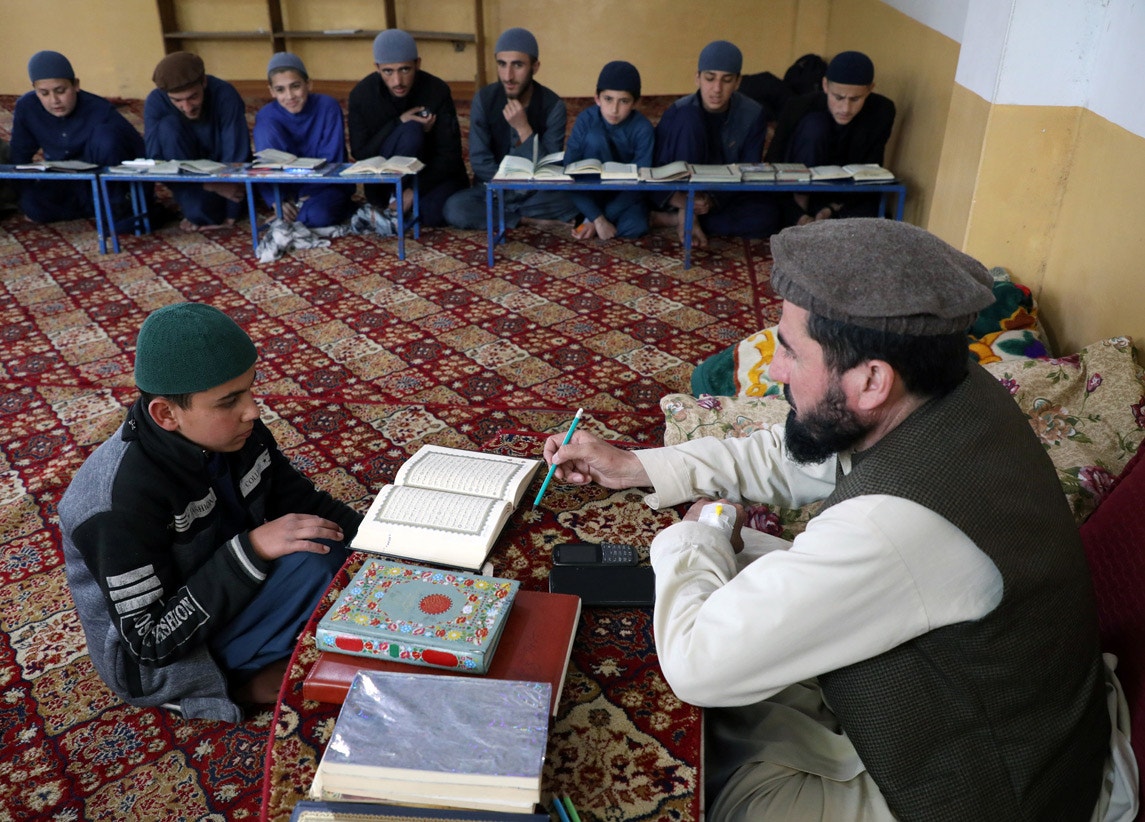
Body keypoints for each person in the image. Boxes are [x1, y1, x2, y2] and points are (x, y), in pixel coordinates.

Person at [541, 219, 1137, 821]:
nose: (774, 370)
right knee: (740, 568)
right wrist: (634, 466)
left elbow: (698, 668)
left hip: (982, 792)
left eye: (792, 351)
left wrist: (690, 535)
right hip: (974, 701)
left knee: (728, 777)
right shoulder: (953, 387)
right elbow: (793, 451)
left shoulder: (896, 523)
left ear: (872, 379)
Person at [59, 303, 362, 723]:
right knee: (315, 564)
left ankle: (264, 643)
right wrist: (252, 550)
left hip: (221, 587)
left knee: (333, 548)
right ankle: (225, 683)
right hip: (160, 660)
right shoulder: (115, 504)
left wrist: (386, 547)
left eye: (251, 389)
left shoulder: (237, 436)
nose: (253, 410)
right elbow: (149, 642)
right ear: (166, 414)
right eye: (229, 401)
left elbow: (306, 506)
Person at [442, 27, 577, 231]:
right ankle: (525, 220)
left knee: (576, 197)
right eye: (502, 64)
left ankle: (503, 218)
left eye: (518, 65)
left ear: (535, 66)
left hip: (535, 192)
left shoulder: (552, 105)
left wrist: (524, 128)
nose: (508, 76)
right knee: (455, 207)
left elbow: (549, 169)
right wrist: (507, 190)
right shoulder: (485, 100)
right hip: (493, 191)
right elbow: (479, 161)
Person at [651, 40, 779, 248]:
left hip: (719, 194)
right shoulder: (678, 112)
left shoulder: (752, 114)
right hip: (679, 192)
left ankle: (679, 218)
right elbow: (656, 168)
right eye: (710, 79)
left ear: (737, 82)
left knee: (769, 215)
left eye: (726, 80)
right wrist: (682, 199)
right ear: (697, 78)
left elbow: (747, 170)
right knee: (689, 120)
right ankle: (686, 212)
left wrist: (711, 199)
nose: (717, 89)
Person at [348, 29, 468, 231]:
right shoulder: (362, 95)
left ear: (417, 64)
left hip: (432, 174)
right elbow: (361, 153)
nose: (398, 81)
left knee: (432, 214)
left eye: (405, 70)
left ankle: (404, 203)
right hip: (385, 181)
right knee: (411, 130)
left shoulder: (436, 90)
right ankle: (394, 200)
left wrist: (413, 192)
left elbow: (450, 155)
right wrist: (398, 123)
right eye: (388, 71)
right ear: (377, 68)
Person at [9, 50, 144, 223]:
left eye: (60, 90)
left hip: (102, 179)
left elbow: (137, 151)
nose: (54, 100)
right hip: (64, 181)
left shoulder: (100, 110)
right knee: (33, 206)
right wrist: (24, 196)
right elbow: (19, 153)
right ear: (35, 90)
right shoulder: (27, 107)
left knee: (106, 137)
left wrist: (140, 197)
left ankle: (113, 206)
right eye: (44, 93)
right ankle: (96, 208)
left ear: (76, 85)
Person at [765, 51, 896, 225]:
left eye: (856, 99)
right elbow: (773, 161)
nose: (845, 108)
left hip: (844, 197)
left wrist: (832, 208)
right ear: (825, 85)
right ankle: (799, 215)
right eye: (838, 97)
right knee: (815, 125)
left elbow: (871, 170)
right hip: (796, 192)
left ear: (870, 89)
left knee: (872, 216)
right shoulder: (799, 107)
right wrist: (797, 212)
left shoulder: (882, 110)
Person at [144, 52, 252, 231]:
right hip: (191, 183)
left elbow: (237, 154)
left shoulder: (225, 95)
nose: (186, 107)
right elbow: (156, 163)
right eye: (177, 100)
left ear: (204, 82)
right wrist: (209, 185)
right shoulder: (156, 102)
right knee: (168, 127)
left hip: (227, 181)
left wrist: (232, 215)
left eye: (192, 97)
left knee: (208, 213)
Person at [252, 52, 353, 228]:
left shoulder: (327, 106)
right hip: (287, 190)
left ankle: (297, 215)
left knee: (319, 215)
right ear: (271, 91)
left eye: (295, 86)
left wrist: (308, 196)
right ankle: (292, 212)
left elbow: (333, 159)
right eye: (280, 89)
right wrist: (278, 202)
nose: (290, 96)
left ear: (308, 84)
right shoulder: (267, 116)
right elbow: (265, 165)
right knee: (264, 129)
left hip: (324, 186)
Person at [563, 61, 654, 241]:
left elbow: (642, 181)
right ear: (597, 98)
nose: (614, 109)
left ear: (635, 102)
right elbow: (568, 173)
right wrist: (597, 217)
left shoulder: (642, 128)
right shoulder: (586, 120)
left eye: (624, 101)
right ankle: (596, 219)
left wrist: (594, 220)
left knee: (636, 226)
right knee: (594, 139)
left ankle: (595, 222)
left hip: (624, 195)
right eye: (608, 99)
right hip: (590, 192)